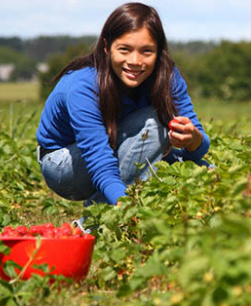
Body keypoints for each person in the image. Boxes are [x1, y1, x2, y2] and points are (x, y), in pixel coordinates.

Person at [36, 2, 210, 208]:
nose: (135, 61)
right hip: (65, 166)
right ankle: (95, 221)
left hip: (120, 148)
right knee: (156, 125)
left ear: (159, 51)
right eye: (124, 49)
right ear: (106, 47)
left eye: (147, 51)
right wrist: (124, 207)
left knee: (208, 173)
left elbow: (197, 148)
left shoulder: (168, 77)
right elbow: (98, 158)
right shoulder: (83, 86)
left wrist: (193, 139)